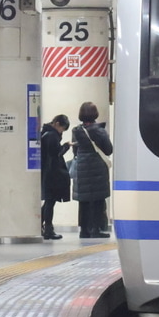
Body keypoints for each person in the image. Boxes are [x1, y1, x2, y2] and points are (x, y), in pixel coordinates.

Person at [71, 101, 113, 238]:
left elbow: (75, 150)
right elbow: (108, 150)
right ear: (95, 114)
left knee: (83, 200)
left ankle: (84, 230)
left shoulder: (76, 131)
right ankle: (96, 229)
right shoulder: (99, 131)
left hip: (82, 166)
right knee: (97, 198)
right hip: (97, 167)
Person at [39, 114, 71, 240]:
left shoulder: (46, 133)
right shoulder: (52, 136)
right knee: (50, 202)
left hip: (47, 172)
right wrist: (66, 146)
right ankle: (48, 229)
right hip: (52, 174)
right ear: (57, 124)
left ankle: (43, 226)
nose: (61, 131)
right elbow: (56, 154)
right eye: (62, 128)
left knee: (49, 202)